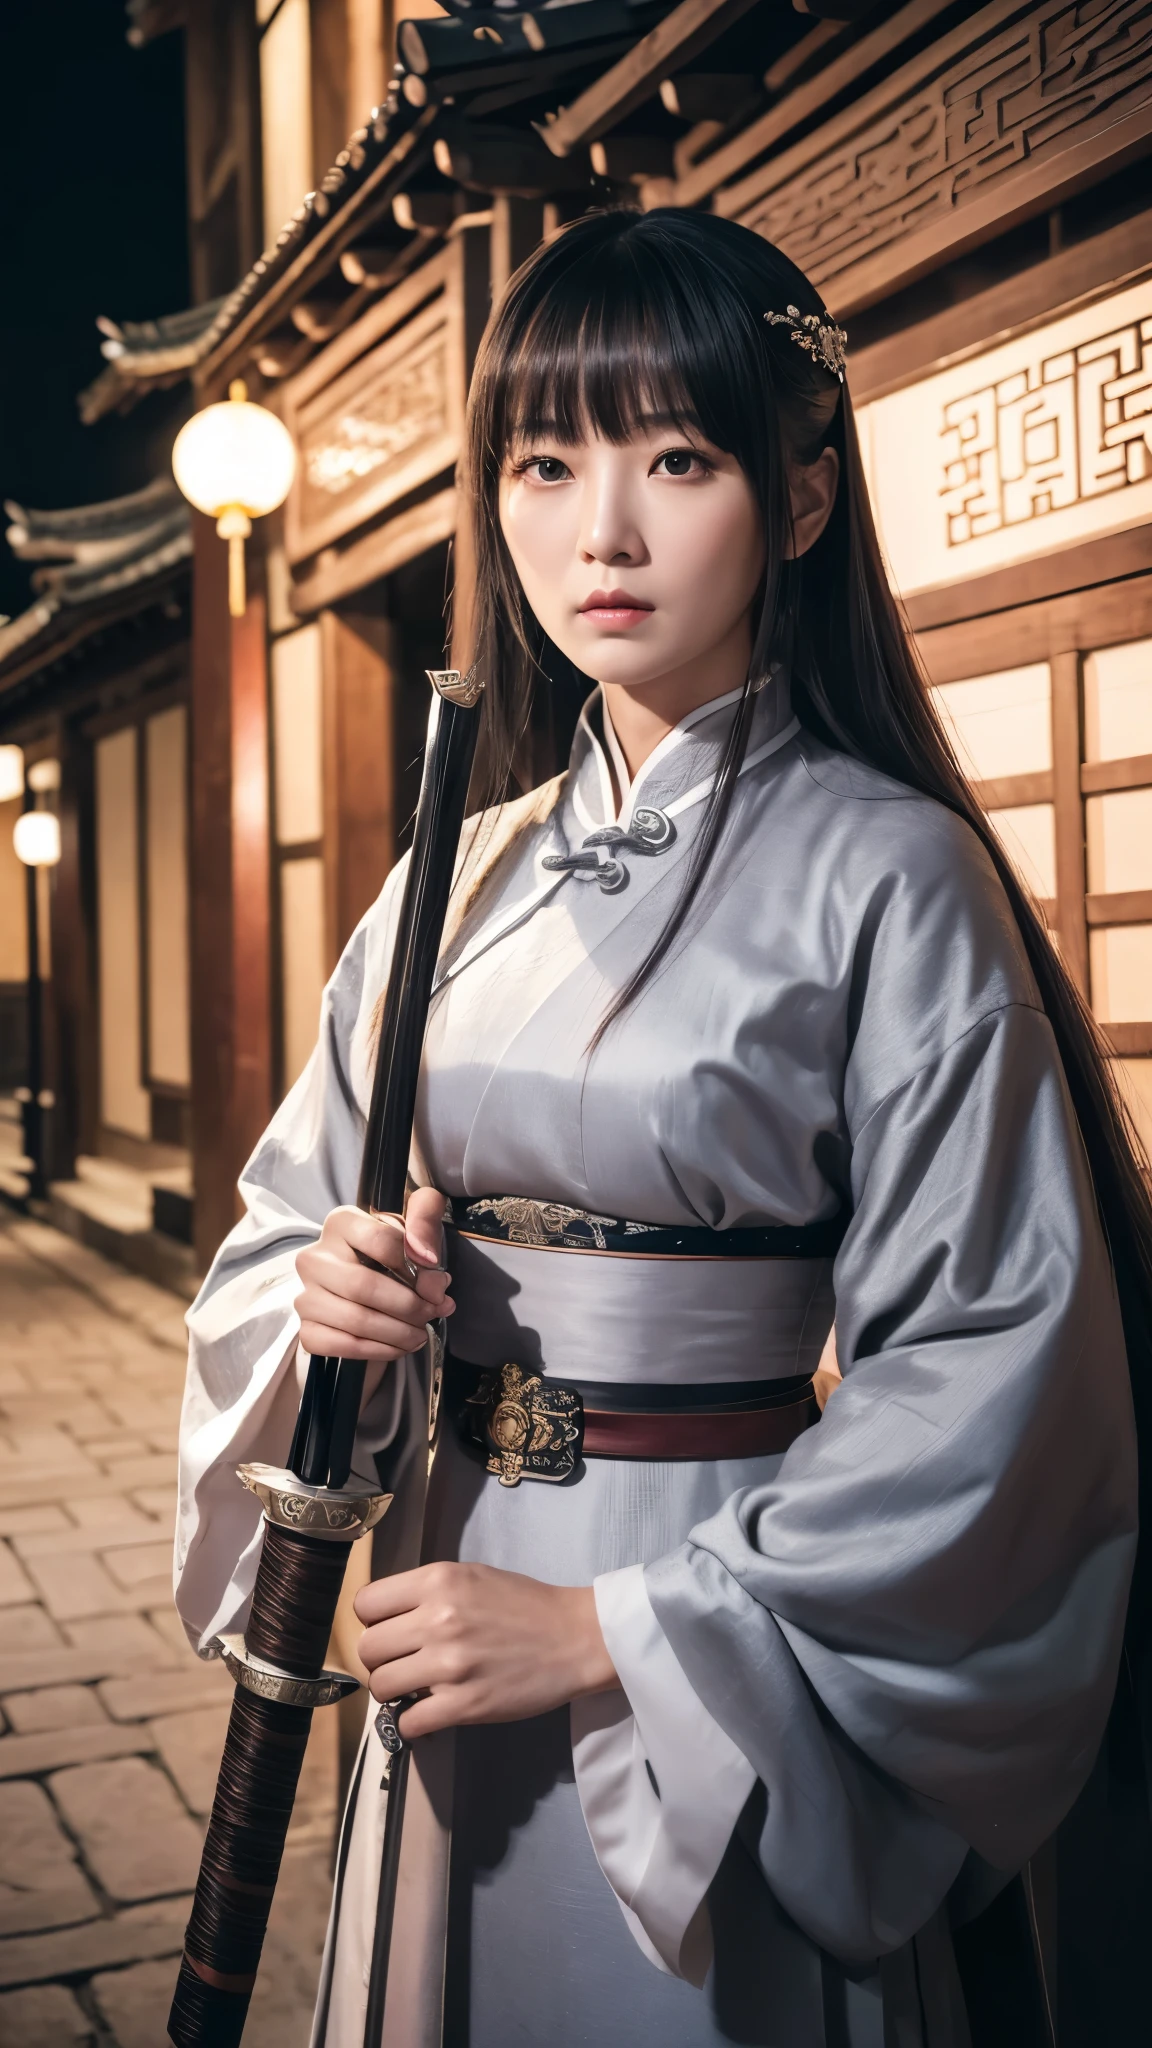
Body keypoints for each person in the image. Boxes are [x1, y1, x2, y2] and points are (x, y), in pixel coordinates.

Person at [176, 210, 1152, 2048]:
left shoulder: (894, 872)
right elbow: (286, 1223)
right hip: (437, 1584)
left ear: (796, 500)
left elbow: (996, 1369)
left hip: (725, 1600)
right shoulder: (455, 877)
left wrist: (615, 1632)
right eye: (545, 464)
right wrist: (333, 1295)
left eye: (675, 459)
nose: (599, 532)